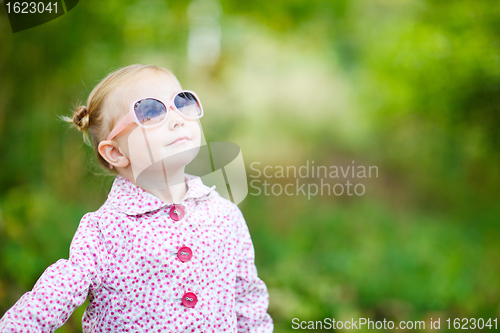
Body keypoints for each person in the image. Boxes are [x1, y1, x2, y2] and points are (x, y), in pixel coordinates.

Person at [0, 64, 273, 332]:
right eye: (151, 111)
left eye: (182, 102)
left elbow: (248, 302)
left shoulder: (225, 216)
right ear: (116, 152)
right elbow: (54, 295)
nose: (178, 118)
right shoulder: (105, 230)